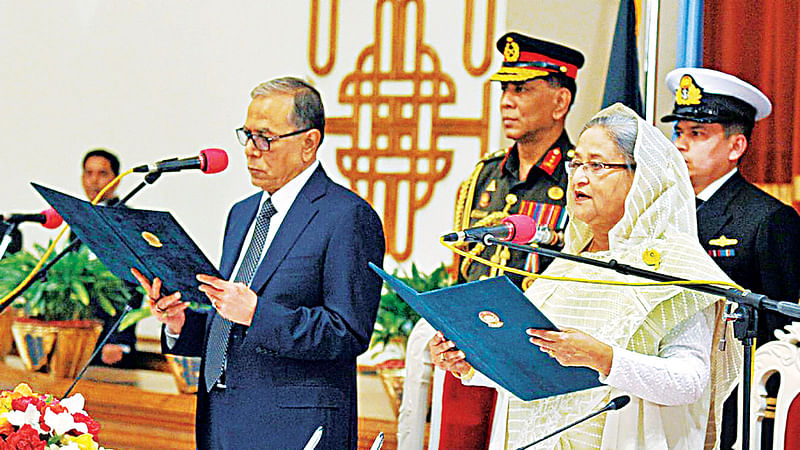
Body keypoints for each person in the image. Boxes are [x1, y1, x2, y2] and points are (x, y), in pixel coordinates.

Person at [430, 103, 742, 449]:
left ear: (644, 179)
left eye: (597, 165)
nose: (579, 177)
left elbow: (690, 381)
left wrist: (604, 358)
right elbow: (534, 376)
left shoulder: (677, 268)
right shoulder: (564, 266)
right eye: (576, 163)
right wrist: (469, 365)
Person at [131, 77, 385, 449]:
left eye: (265, 138)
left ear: (308, 143)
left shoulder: (345, 216)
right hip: (223, 418)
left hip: (294, 426)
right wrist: (181, 322)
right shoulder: (242, 214)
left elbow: (347, 331)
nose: (251, 150)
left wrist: (257, 313)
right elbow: (231, 323)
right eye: (247, 135)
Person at [399, 32, 586, 450]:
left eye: (522, 89)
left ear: (561, 102)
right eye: (505, 88)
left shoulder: (578, 180)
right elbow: (462, 271)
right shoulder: (483, 178)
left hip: (538, 359)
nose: (507, 100)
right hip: (473, 353)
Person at [660, 67, 800, 450]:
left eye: (697, 134)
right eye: (679, 132)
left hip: (735, 406)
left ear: (736, 147)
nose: (680, 145)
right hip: (665, 391)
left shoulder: (769, 219)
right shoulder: (664, 213)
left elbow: (783, 331)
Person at [79, 148, 139, 367]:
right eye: (88, 173)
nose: (94, 180)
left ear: (116, 179)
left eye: (102, 173)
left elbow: (134, 285)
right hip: (80, 334)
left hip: (112, 343)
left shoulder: (127, 220)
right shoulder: (78, 220)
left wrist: (118, 340)